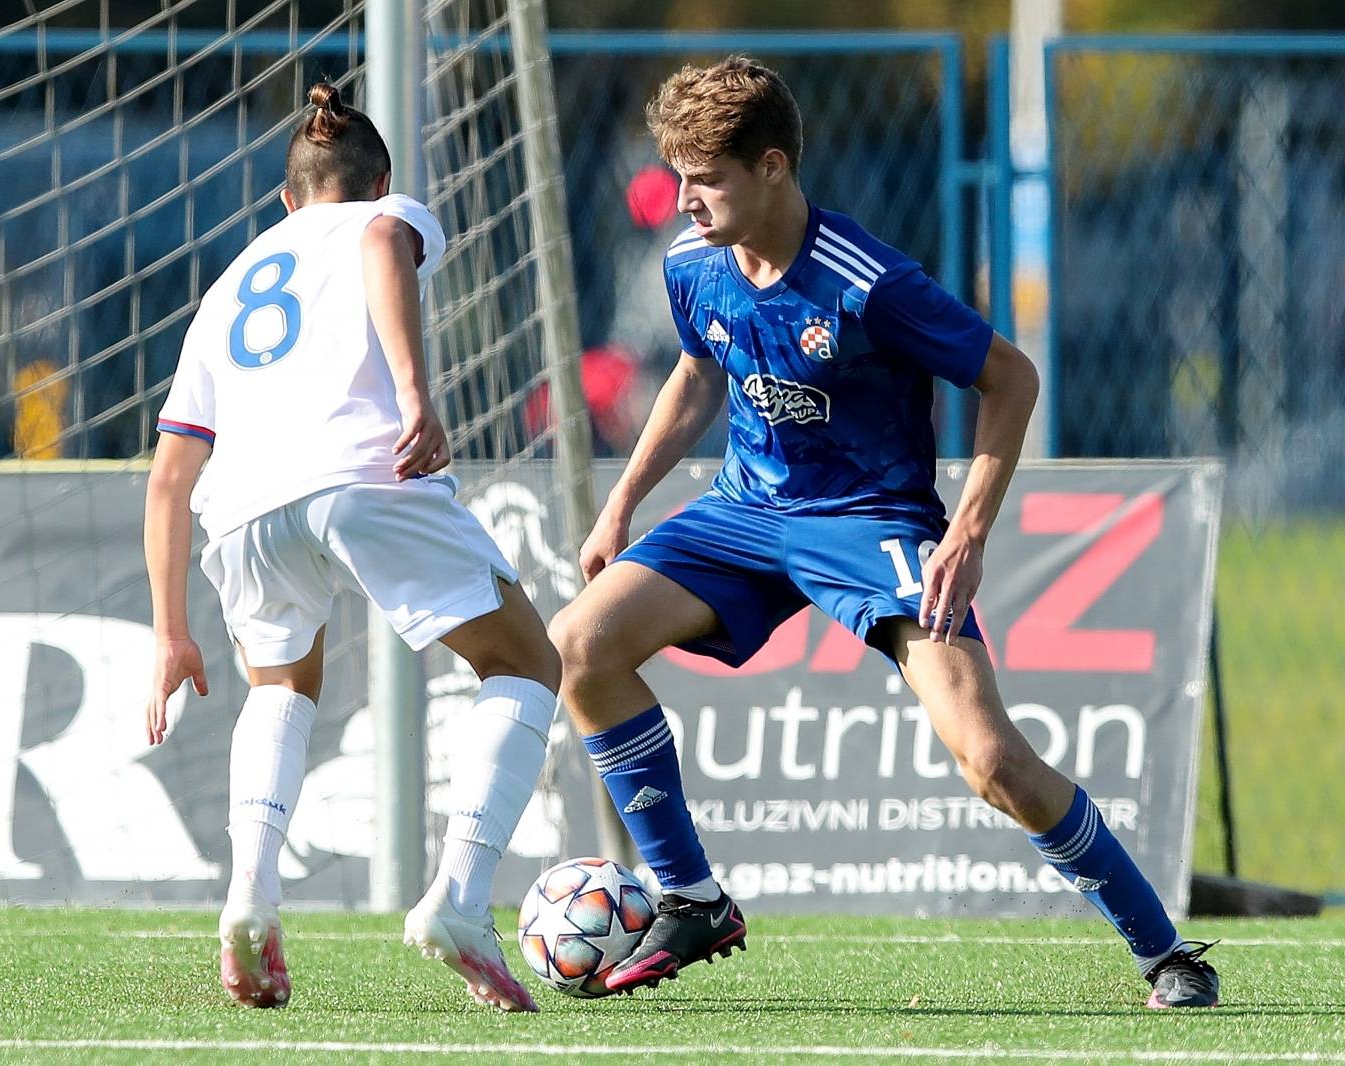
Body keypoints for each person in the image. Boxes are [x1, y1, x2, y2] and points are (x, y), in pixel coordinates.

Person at [547, 56, 1219, 1009]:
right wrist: (623, 502)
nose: (685, 200)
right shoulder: (692, 263)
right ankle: (691, 899)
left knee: (991, 761)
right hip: (746, 513)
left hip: (872, 523)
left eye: (707, 178)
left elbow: (1011, 378)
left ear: (773, 167)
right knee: (580, 647)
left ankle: (1167, 953)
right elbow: (699, 371)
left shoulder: (869, 282)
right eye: (681, 176)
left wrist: (970, 533)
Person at [143, 82, 559, 1014]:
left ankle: (251, 887)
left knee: (281, 688)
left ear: (286, 198)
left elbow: (169, 475)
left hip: (241, 505)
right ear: (378, 181)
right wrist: (415, 395)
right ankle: (458, 895)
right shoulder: (381, 215)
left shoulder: (226, 286)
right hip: (359, 475)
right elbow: (379, 243)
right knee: (528, 661)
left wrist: (171, 631)